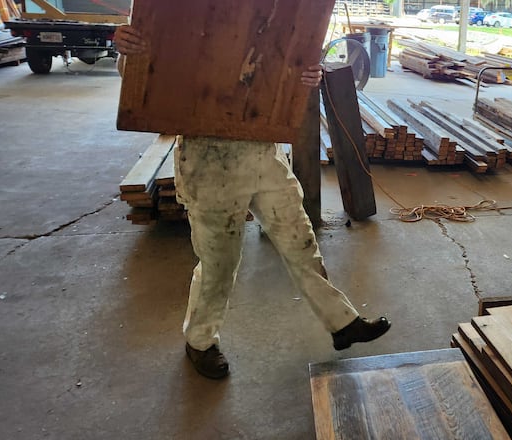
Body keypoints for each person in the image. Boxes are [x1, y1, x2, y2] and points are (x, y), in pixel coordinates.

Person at [114, 25, 391, 380]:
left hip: (262, 147)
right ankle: (200, 341)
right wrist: (128, 52)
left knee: (299, 240)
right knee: (219, 262)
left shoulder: (268, 13)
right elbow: (143, 75)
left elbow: (285, 64)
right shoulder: (190, 14)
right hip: (209, 155)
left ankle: (342, 324)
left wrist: (307, 76)